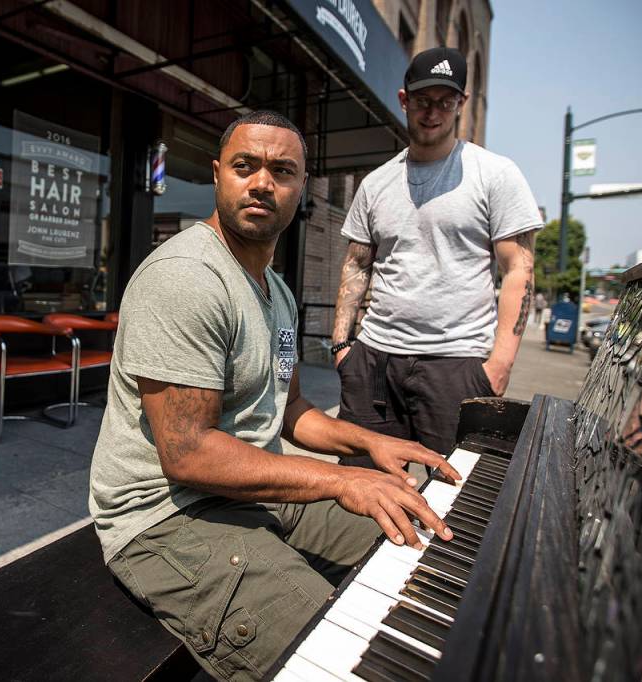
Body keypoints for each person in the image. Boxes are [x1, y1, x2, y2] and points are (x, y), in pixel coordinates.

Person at [88, 110, 461, 681]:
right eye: (245, 166)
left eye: (282, 171)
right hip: (166, 518)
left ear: (300, 189)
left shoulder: (279, 294)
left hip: (251, 493)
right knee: (343, 664)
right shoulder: (187, 277)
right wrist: (341, 478)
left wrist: (371, 445)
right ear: (218, 175)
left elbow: (286, 409)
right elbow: (188, 453)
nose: (262, 182)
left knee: (421, 552)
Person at [331, 46, 543, 470]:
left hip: (457, 364)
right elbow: (356, 264)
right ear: (404, 99)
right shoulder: (376, 183)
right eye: (424, 101)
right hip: (374, 359)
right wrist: (341, 346)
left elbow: (519, 269)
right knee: (361, 493)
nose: (433, 113)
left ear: (461, 104)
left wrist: (499, 364)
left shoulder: (494, 174)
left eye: (445, 102)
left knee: (455, 497)